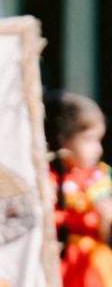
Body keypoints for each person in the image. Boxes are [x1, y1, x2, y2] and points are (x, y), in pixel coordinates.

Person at [45, 90, 112, 286]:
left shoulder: (100, 177)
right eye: (89, 140)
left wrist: (107, 218)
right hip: (62, 265)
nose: (98, 149)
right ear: (63, 139)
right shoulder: (50, 178)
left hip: (95, 266)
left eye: (99, 140)